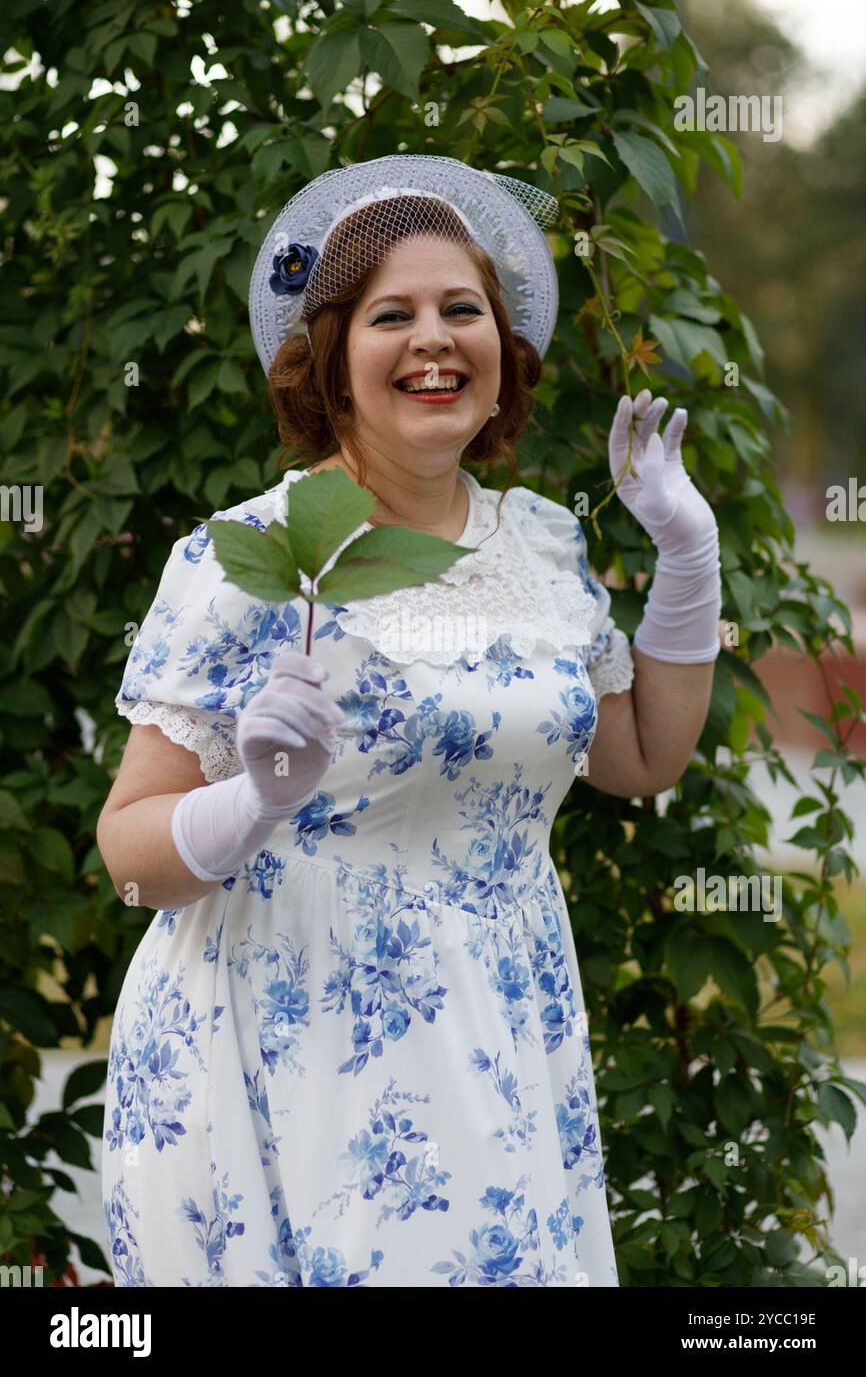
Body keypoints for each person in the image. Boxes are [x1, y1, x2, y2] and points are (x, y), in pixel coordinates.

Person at [97, 155, 721, 1287]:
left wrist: (686, 560)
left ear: (501, 353)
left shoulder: (539, 542)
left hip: (498, 1029)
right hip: (285, 1044)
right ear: (330, 361)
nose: (433, 338)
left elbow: (638, 756)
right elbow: (129, 855)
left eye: (460, 310)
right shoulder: (248, 560)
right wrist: (252, 800)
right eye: (391, 314)